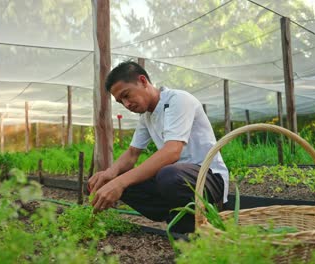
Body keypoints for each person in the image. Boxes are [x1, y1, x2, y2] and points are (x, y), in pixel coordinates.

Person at [88, 61, 228, 233]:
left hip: (209, 177)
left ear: (143, 81)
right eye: (120, 101)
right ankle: (177, 217)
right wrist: (110, 175)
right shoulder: (146, 116)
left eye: (126, 95)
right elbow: (132, 153)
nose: (126, 104)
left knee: (168, 174)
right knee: (122, 178)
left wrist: (120, 182)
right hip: (180, 179)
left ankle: (198, 219)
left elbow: (172, 151)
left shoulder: (178, 100)